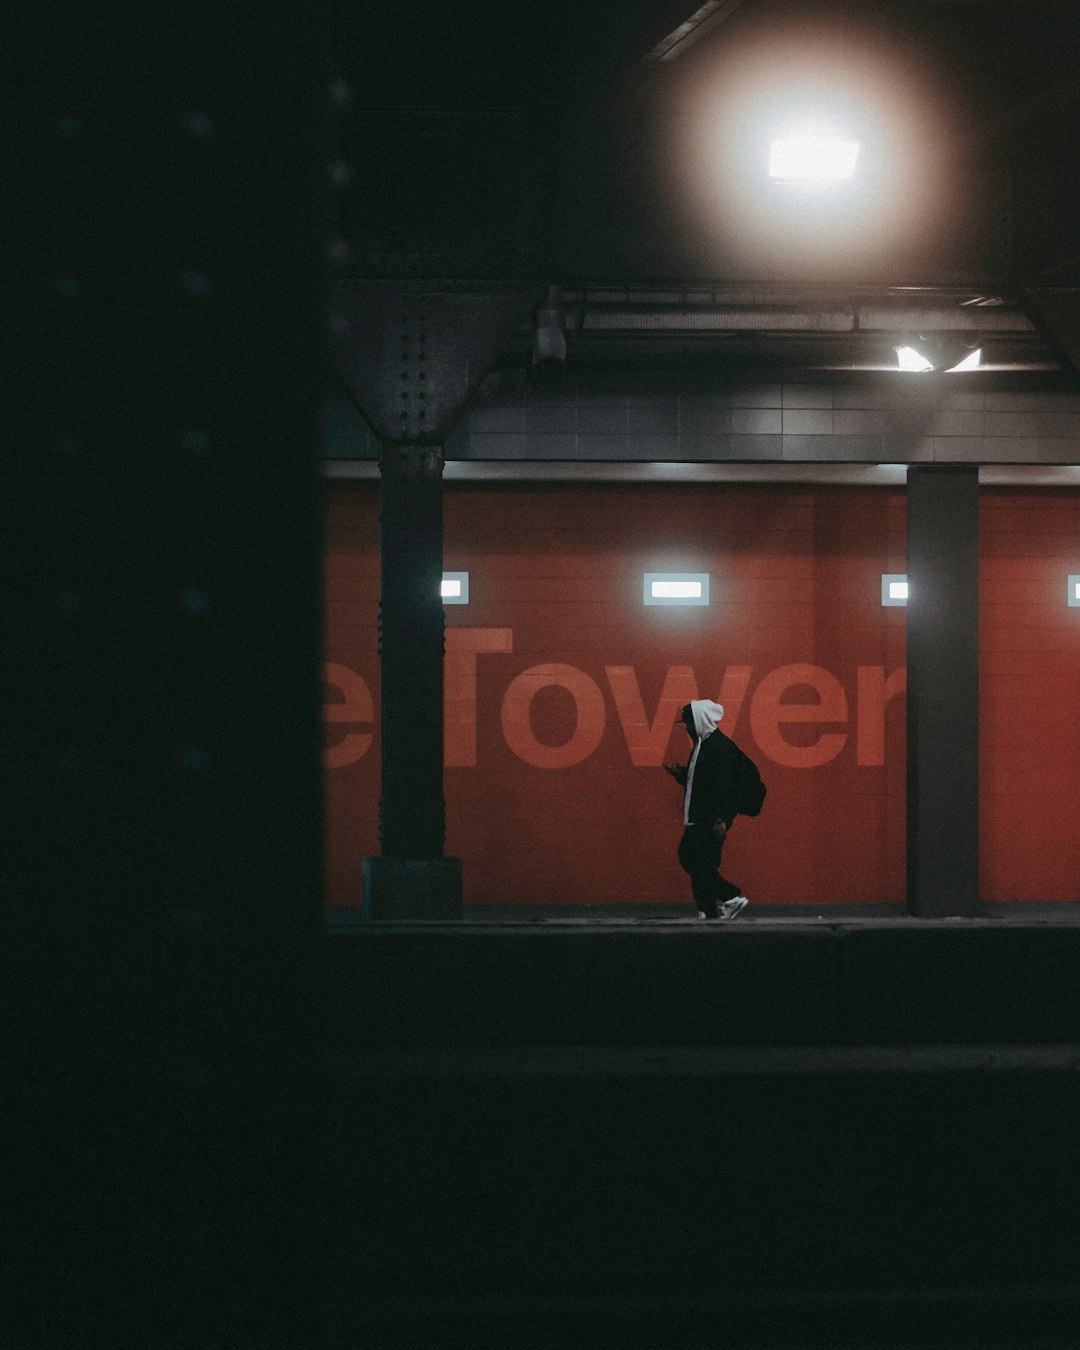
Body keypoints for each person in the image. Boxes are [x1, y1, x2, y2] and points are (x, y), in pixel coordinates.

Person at [664, 700, 750, 921]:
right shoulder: (702, 745)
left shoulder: (717, 748)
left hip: (708, 819)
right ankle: (708, 910)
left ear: (699, 720)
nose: (686, 728)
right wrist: (681, 774)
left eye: (689, 723)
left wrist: (720, 818)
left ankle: (730, 896)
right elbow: (701, 782)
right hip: (702, 817)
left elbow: (723, 785)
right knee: (701, 864)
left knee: (691, 859)